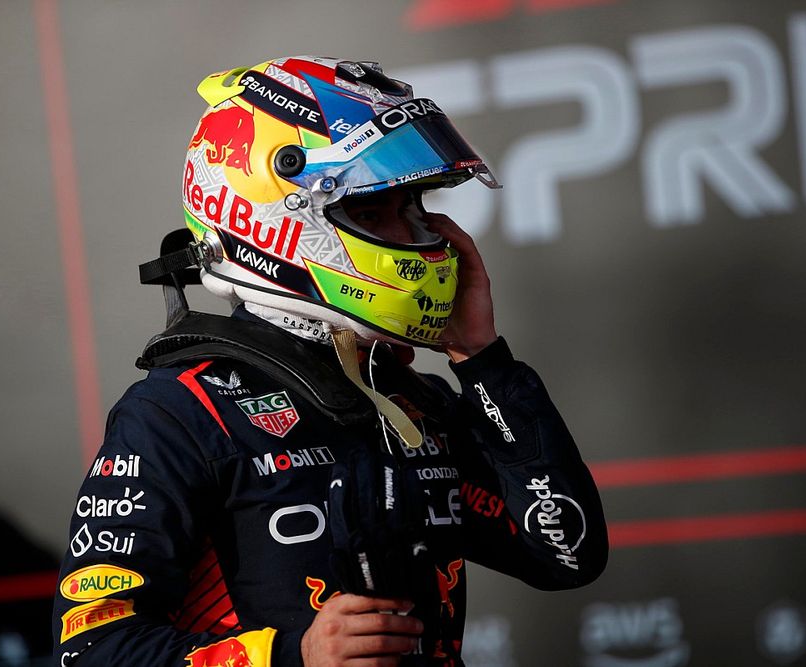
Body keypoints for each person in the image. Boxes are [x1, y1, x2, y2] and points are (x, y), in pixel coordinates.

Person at [52, 55, 608, 667]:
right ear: (273, 222)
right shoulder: (179, 413)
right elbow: (92, 647)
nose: (416, 238)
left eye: (413, 210)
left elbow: (566, 554)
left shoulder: (410, 401)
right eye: (373, 213)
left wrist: (481, 360)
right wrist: (292, 657)